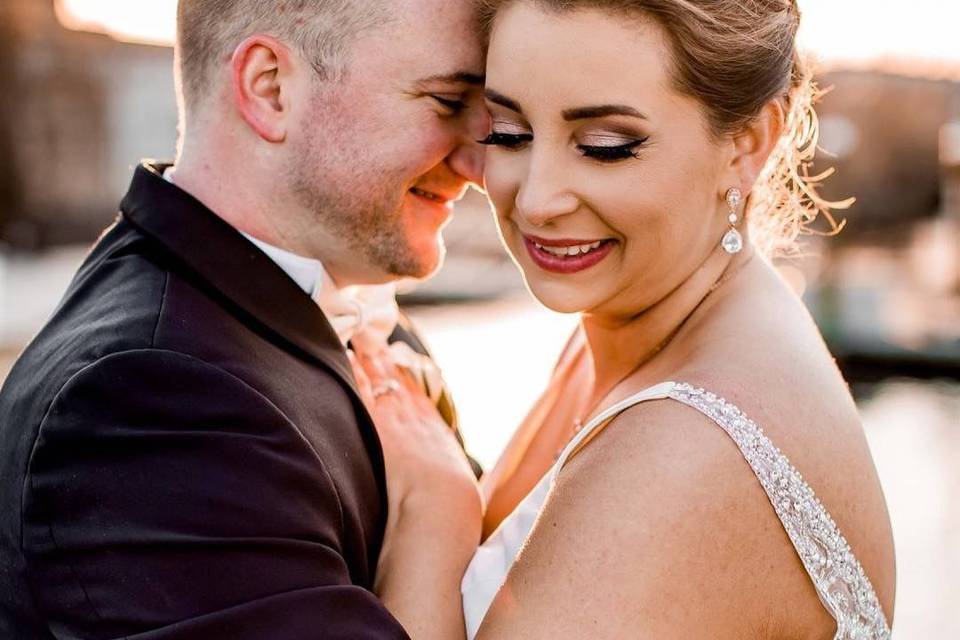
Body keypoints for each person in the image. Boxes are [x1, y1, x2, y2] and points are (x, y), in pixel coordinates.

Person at [354, 0, 897, 638]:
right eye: (508, 132)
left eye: (605, 147)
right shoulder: (626, 330)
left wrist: (431, 515)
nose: (537, 198)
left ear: (748, 143)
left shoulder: (691, 447)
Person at [0, 0, 489, 637]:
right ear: (270, 87)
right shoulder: (147, 398)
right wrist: (435, 515)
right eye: (448, 102)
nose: (480, 166)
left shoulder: (352, 321)